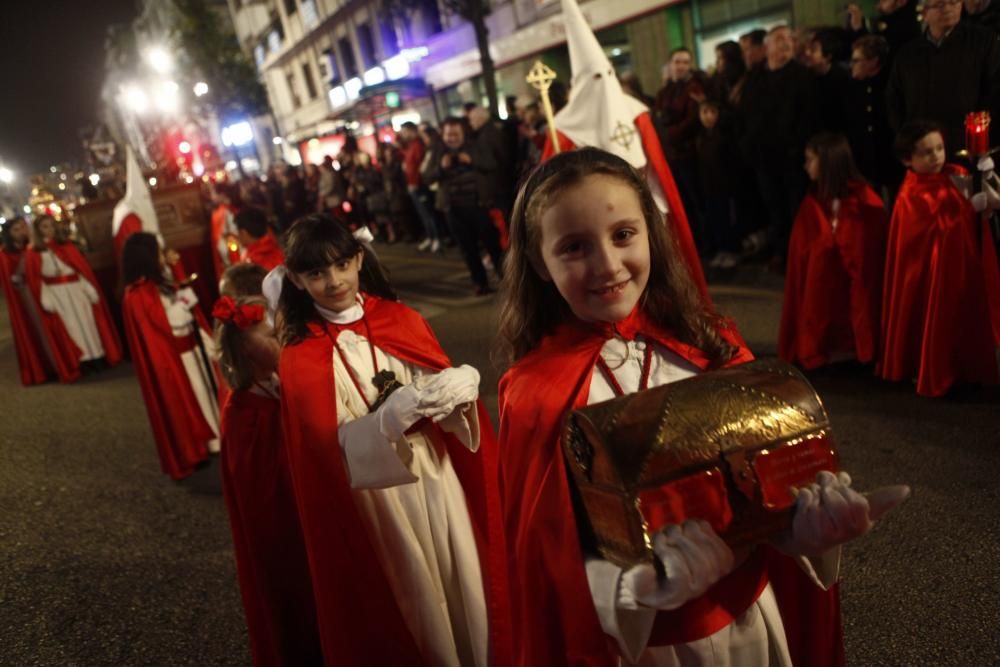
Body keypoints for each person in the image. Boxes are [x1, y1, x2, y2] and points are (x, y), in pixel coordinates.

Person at [495, 147, 909, 665]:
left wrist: (803, 530)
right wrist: (635, 588)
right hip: (649, 648)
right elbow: (545, 560)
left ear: (651, 231)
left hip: (748, 619)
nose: (607, 265)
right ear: (538, 261)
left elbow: (765, 485)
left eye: (623, 235)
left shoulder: (708, 344)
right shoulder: (533, 393)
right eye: (574, 247)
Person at [275, 215, 509, 665]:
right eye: (316, 273)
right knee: (415, 592)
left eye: (342, 265)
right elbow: (324, 453)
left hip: (437, 475)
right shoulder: (300, 356)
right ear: (297, 281)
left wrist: (456, 398)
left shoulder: (401, 318)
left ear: (359, 259)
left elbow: (441, 392)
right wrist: (386, 422)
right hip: (380, 499)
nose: (334, 281)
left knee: (461, 574)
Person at [212, 268, 321, 666]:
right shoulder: (245, 414)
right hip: (284, 533)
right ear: (242, 349)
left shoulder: (273, 385)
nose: (280, 338)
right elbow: (264, 492)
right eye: (269, 335)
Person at [878, 121, 1000, 396]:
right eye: (926, 152)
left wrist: (984, 182)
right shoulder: (910, 195)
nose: (936, 157)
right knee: (930, 320)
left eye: (940, 149)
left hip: (960, 268)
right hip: (928, 279)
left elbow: (986, 203)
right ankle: (930, 369)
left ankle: (964, 369)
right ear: (907, 159)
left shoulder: (956, 173)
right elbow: (912, 247)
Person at [779, 133, 889, 370]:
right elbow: (805, 250)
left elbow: (870, 251)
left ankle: (858, 348)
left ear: (828, 163)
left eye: (810, 160)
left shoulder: (865, 202)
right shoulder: (812, 203)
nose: (806, 166)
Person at [121, 232, 220, 480]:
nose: (164, 255)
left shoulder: (158, 283)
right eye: (159, 251)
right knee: (192, 398)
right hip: (177, 358)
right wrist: (186, 299)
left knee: (206, 393)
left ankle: (217, 437)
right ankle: (201, 445)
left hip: (191, 349)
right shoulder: (139, 294)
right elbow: (175, 319)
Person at [738, 25, 818, 268]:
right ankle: (782, 252)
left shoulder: (802, 76)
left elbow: (810, 116)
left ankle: (801, 254)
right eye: (780, 40)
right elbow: (745, 116)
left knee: (796, 207)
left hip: (793, 157)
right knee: (774, 208)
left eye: (790, 40)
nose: (786, 44)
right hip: (763, 158)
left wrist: (799, 148)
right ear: (768, 46)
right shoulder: (755, 77)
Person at [885, 0, 1000, 156]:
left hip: (968, 146)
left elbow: (994, 91)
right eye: (939, 4)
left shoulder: (983, 41)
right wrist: (907, 136)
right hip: (922, 148)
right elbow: (894, 99)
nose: (947, 9)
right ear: (924, 13)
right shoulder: (908, 54)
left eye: (953, 3)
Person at [24, 215, 122, 382]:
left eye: (51, 226)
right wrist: (45, 298)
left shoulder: (67, 246)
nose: (49, 230)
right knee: (71, 328)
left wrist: (89, 288)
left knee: (88, 323)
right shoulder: (34, 253)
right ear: (38, 231)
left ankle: (98, 356)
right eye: (44, 227)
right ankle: (83, 362)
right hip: (57, 295)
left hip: (76, 290)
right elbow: (37, 280)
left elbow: (80, 269)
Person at [432, 117, 505, 295]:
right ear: (443, 136)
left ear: (463, 133)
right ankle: (480, 283)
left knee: (492, 245)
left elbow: (492, 164)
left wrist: (472, 160)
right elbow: (426, 175)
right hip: (454, 209)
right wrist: (441, 167)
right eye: (449, 134)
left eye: (456, 134)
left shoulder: (475, 146)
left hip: (478, 204)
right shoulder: (438, 152)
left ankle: (507, 280)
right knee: (468, 249)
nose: (452, 138)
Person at [845, 35, 901, 196]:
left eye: (856, 60)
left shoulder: (890, 87)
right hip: (863, 164)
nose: (851, 65)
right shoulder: (851, 88)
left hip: (889, 161)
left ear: (873, 62)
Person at [0, 217, 52, 385]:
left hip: (43, 292)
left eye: (23, 227)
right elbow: (13, 282)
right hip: (25, 298)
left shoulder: (35, 246)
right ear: (8, 234)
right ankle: (43, 367)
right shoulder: (4, 255)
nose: (22, 232)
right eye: (16, 230)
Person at [694, 100, 742, 269]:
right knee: (715, 218)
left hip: (724, 186)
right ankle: (721, 249)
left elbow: (731, 163)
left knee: (728, 218)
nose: (708, 117)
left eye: (712, 112)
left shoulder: (724, 137)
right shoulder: (701, 137)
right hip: (709, 186)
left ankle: (732, 251)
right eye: (704, 113)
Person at [234, 206, 284, 271]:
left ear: (243, 233)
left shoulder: (252, 264)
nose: (236, 235)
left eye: (237, 231)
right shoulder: (276, 249)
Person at [210, 183, 241, 284]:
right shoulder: (225, 210)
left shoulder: (224, 212)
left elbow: (231, 234)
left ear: (221, 195)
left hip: (233, 255)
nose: (211, 196)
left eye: (213, 193)